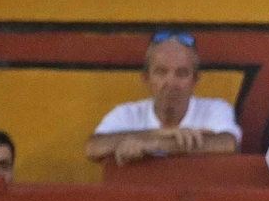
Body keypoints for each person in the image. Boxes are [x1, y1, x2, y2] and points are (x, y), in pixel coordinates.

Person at [84, 30, 241, 165]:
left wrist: (153, 145)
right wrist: (161, 134)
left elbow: (227, 143)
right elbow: (93, 147)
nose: (171, 82)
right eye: (161, 72)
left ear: (195, 80)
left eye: (181, 73)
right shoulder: (127, 113)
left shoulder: (214, 109)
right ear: (146, 78)